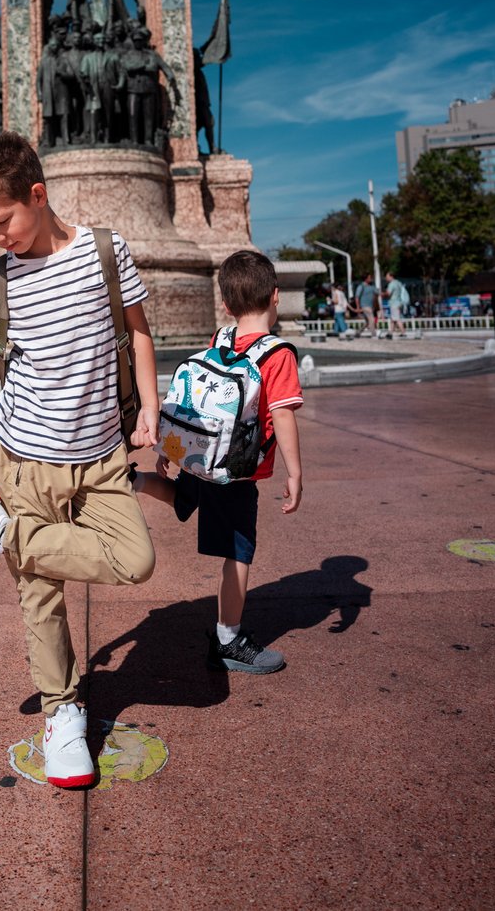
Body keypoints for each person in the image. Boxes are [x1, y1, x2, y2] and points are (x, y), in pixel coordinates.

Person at [0, 131, 159, 789]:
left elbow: (138, 330)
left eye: (3, 221)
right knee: (39, 596)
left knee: (136, 560)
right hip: (26, 458)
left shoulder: (106, 252)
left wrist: (150, 409)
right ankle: (62, 713)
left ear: (37, 196)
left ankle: (2, 533)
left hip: (101, 456)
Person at [132, 249, 303, 674]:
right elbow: (281, 414)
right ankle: (229, 638)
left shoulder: (220, 339)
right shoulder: (277, 354)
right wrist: (295, 472)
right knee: (239, 553)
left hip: (199, 453)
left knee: (183, 498)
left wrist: (170, 451)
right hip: (236, 471)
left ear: (225, 305)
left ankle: (129, 480)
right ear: (276, 297)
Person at [384, 272, 409, 336]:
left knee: (397, 319)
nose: (386, 278)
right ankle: (390, 333)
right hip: (399, 302)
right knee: (393, 319)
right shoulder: (398, 283)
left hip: (394, 303)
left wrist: (381, 294)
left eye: (387, 277)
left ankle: (403, 333)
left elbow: (388, 293)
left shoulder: (391, 284)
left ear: (391, 276)